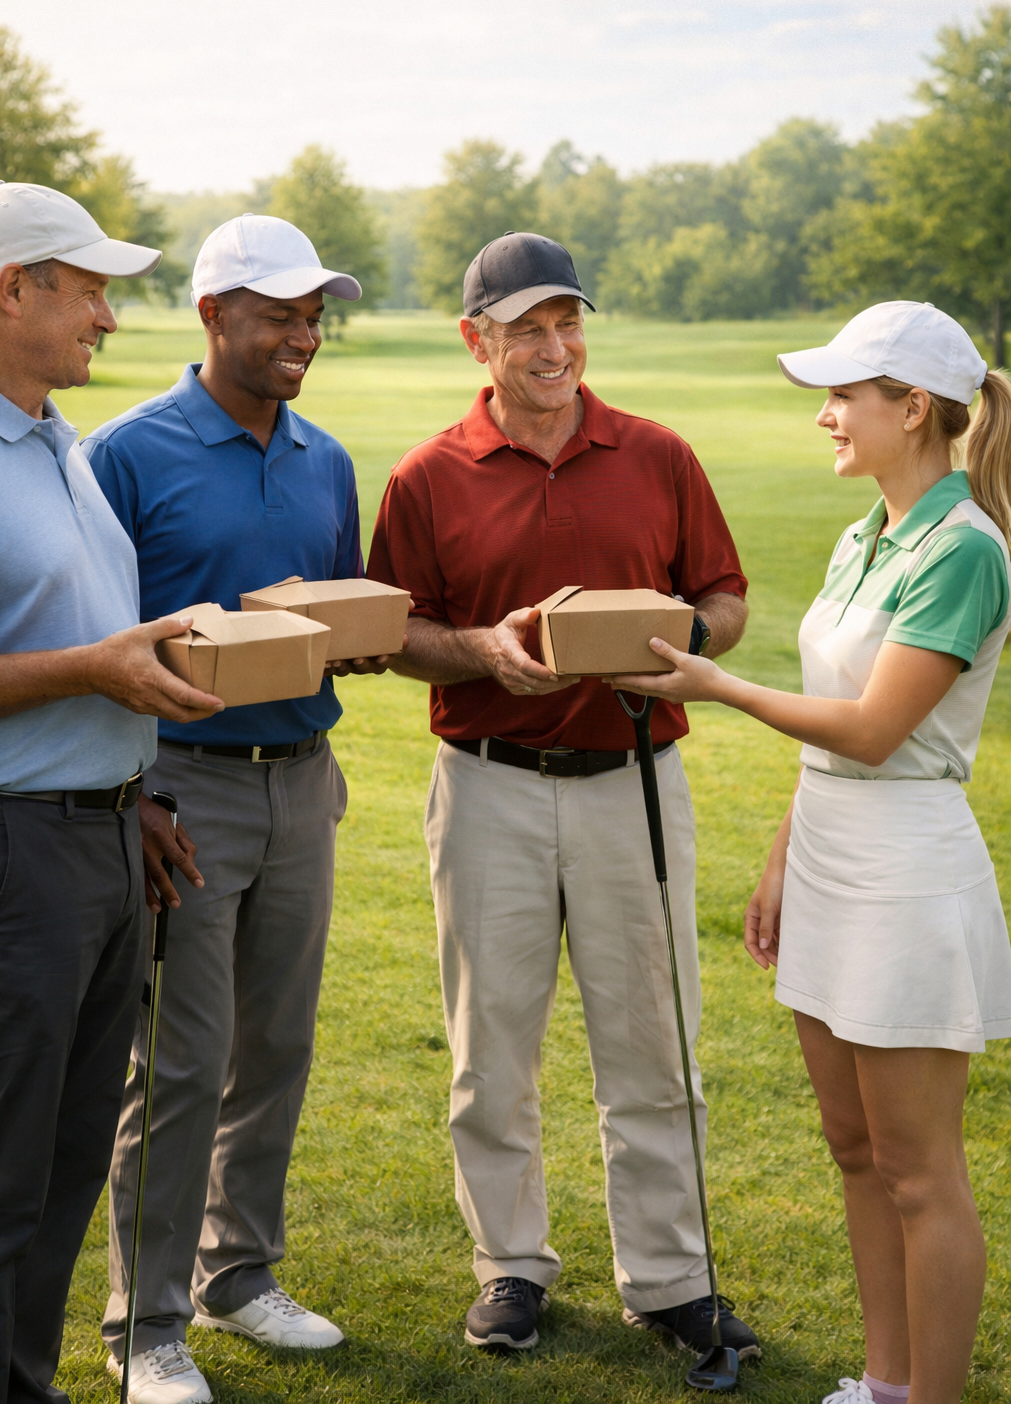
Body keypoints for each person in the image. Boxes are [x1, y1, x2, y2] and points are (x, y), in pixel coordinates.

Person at [608, 301, 1011, 1404]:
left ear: (912, 407)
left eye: (843, 396)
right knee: (852, 1149)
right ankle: (884, 1386)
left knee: (921, 1174)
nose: (825, 416)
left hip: (905, 875)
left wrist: (716, 685)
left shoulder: (966, 550)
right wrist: (787, 850)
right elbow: (839, 716)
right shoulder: (861, 534)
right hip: (833, 855)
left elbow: (879, 730)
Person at [367, 231, 761, 1359]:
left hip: (632, 782)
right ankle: (509, 1267)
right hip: (487, 787)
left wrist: (681, 647)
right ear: (475, 340)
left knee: (652, 1041)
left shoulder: (657, 453)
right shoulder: (426, 474)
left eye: (567, 324)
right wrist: (479, 648)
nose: (555, 349)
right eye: (527, 330)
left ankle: (672, 1277)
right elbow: (398, 634)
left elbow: (724, 599)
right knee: (490, 1048)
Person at [82, 214, 389, 1404]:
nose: (304, 337)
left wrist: (345, 647)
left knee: (278, 1045)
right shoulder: (126, 453)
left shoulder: (323, 456)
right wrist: (142, 789)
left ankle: (237, 1274)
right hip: (180, 791)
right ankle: (145, 1325)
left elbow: (321, 614)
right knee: (180, 1062)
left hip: (301, 781)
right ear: (213, 318)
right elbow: (97, 649)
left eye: (315, 317)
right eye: (278, 317)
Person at [0, 181, 224, 1404]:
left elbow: (80, 641)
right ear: (10, 288)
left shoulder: (57, 440)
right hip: (9, 856)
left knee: (74, 1155)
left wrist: (126, 787)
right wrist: (96, 669)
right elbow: (74, 657)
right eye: (85, 289)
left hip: (98, 843)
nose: (109, 319)